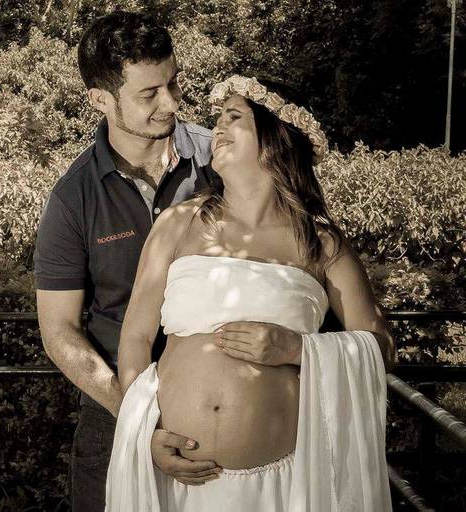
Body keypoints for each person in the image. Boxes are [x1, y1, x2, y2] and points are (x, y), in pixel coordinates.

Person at [106, 75, 396, 511]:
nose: (217, 127)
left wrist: (297, 349)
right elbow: (135, 337)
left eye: (234, 117)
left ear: (276, 138)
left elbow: (381, 346)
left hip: (283, 487)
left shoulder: (321, 244)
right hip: (176, 483)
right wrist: (144, 431)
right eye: (218, 118)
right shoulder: (179, 224)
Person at [34, 11, 222, 512]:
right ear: (100, 99)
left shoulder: (224, 160)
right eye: (149, 93)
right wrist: (139, 417)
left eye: (173, 83)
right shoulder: (72, 197)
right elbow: (59, 332)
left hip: (223, 408)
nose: (172, 103)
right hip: (115, 415)